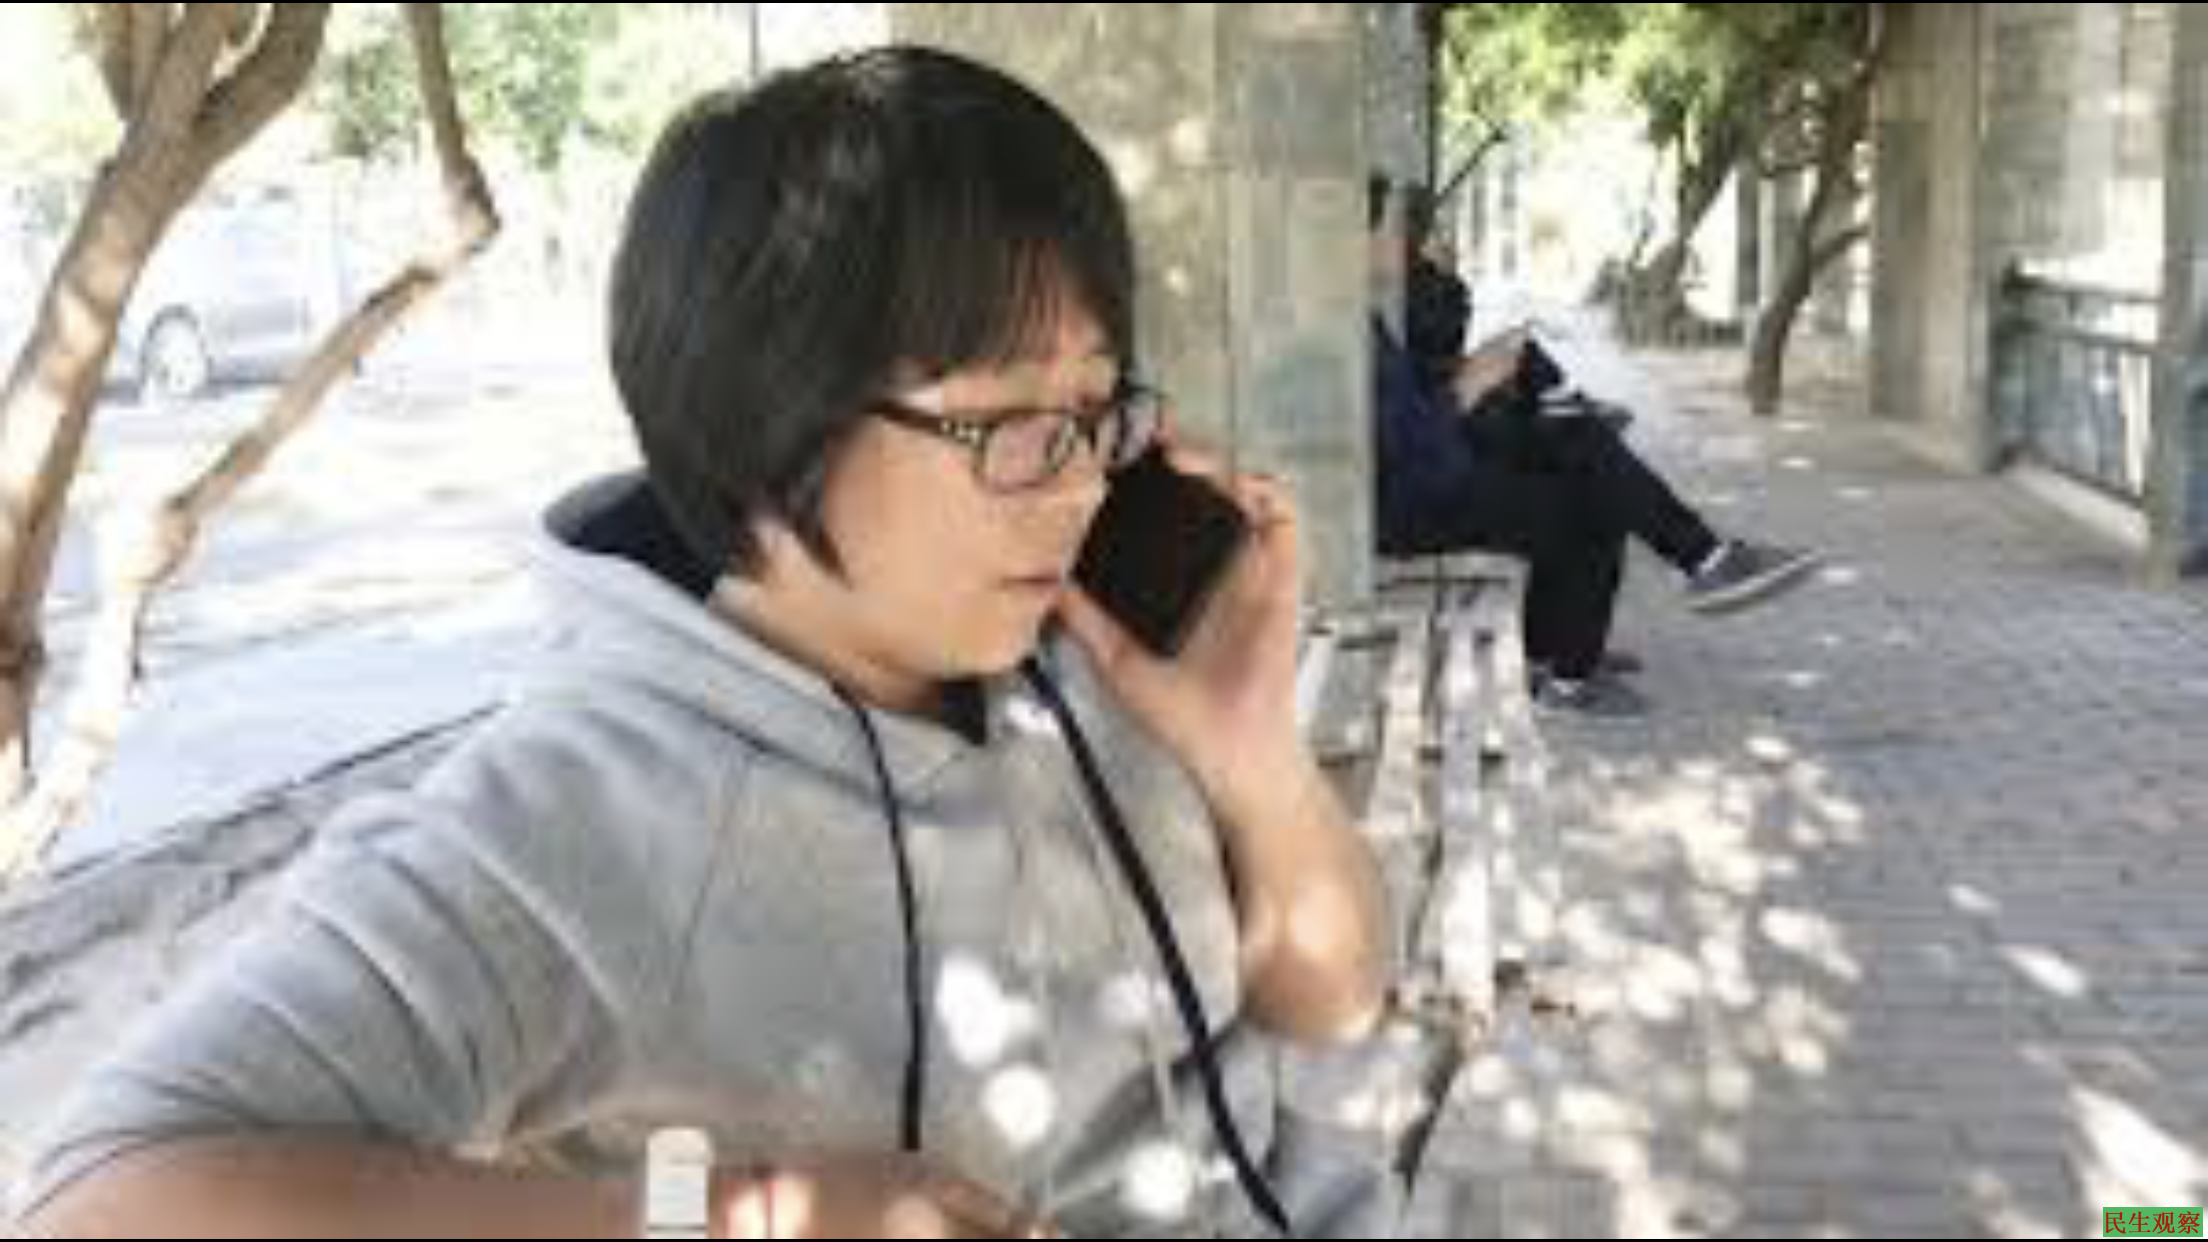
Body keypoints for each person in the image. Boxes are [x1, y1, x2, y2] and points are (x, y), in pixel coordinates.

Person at [13, 49, 1389, 1239]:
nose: (1082, 481)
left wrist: (1251, 759)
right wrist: (735, 1213)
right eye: (1011, 422)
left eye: (1095, 409)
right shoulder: (582, 818)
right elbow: (102, 1194)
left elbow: (1331, 1000)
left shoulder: (1091, 649)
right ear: (771, 431)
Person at [1368, 175, 1820, 718]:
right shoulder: (1348, 325)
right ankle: (1578, 668)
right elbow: (1404, 441)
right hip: (1413, 500)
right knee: (1591, 498)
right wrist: (1471, 383)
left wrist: (1478, 372)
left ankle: (1570, 649)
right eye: (1391, 228)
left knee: (1582, 450)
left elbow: (1413, 403)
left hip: (1431, 470)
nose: (1402, 238)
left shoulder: (1358, 312)